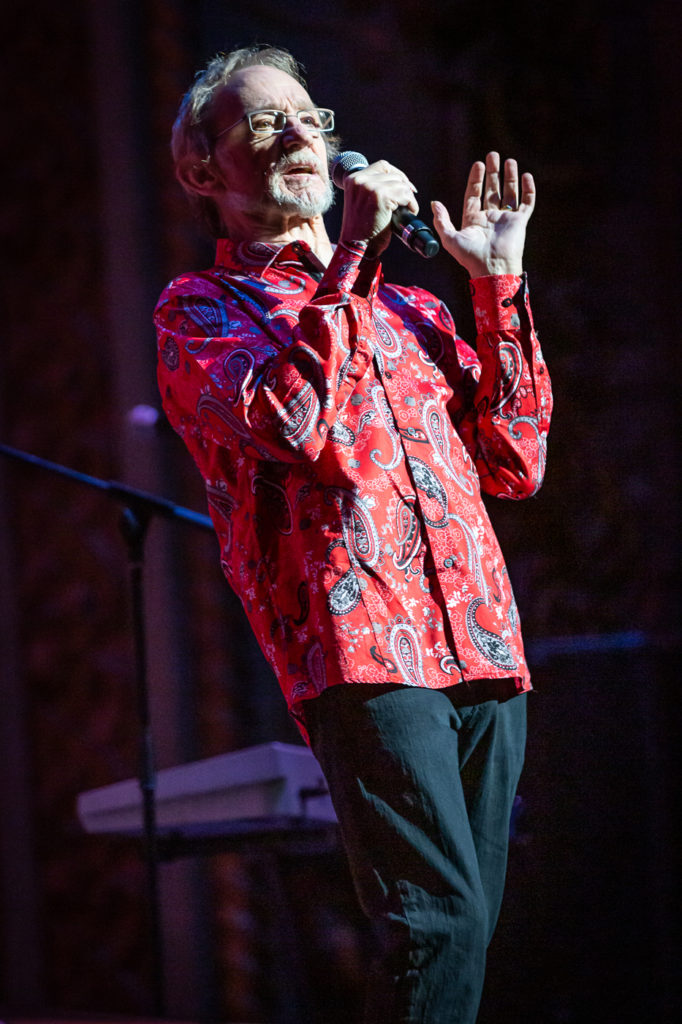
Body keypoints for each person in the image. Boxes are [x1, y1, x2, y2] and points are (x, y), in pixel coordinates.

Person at [154, 43, 552, 1024]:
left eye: (312, 119)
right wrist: (348, 261)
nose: (301, 136)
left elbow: (515, 459)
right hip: (366, 652)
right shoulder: (203, 309)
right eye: (265, 123)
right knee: (437, 927)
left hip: (486, 645)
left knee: (460, 939)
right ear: (204, 170)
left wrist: (498, 291)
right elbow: (300, 427)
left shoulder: (411, 309)